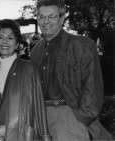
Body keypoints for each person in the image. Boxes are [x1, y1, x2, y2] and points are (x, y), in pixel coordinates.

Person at [30, 0, 114, 140]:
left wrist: (81, 120)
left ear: (62, 18)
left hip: (69, 116)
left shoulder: (83, 45)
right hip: (40, 118)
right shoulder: (35, 51)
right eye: (41, 16)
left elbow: (93, 88)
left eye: (51, 16)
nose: (45, 21)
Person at [0, 19, 51, 141]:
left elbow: (37, 111)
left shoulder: (30, 69)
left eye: (10, 38)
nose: (4, 42)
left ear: (17, 44)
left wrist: (9, 129)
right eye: (0, 37)